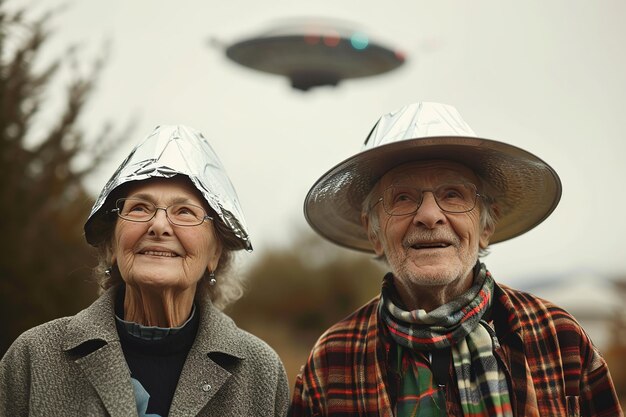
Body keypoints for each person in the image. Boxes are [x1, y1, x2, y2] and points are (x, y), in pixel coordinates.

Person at [289, 102, 623, 417]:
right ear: (374, 232)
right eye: (402, 197)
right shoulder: (332, 359)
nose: (430, 215)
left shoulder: (559, 337)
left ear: (486, 225)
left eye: (453, 194)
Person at [0, 125, 289, 416]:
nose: (160, 226)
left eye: (184, 212)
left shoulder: (261, 371)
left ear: (214, 254)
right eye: (139, 208)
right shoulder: (33, 358)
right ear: (112, 246)